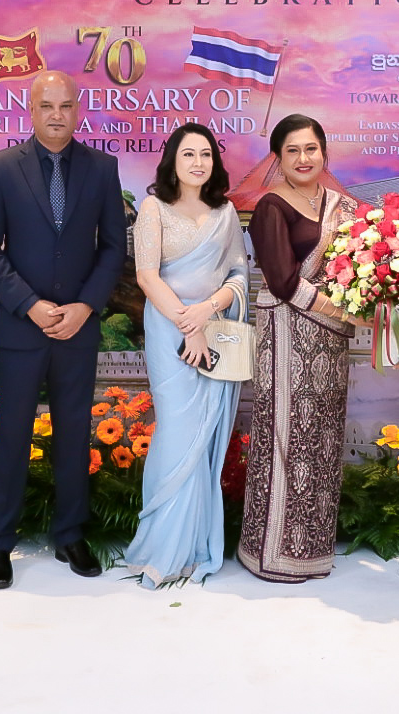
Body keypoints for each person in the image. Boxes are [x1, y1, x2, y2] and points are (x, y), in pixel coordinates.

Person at [0, 70, 127, 587]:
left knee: (72, 434)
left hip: (78, 328)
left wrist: (86, 306)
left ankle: (70, 534)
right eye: (46, 106)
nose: (57, 115)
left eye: (65, 106)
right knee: (11, 434)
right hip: (22, 328)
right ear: (31, 110)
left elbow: (113, 248)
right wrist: (30, 304)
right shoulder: (1, 168)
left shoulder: (102, 168)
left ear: (77, 110)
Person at [124, 125, 248, 587]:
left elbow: (238, 273)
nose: (198, 162)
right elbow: (146, 276)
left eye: (206, 155)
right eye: (189, 154)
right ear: (172, 161)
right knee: (177, 432)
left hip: (212, 328)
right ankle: (160, 548)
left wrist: (206, 312)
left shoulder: (225, 212)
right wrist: (186, 324)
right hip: (168, 330)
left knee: (206, 435)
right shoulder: (153, 208)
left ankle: (195, 546)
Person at [238, 114, 359, 582]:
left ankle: (312, 550)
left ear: (324, 153)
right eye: (292, 150)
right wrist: (343, 310)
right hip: (288, 336)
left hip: (329, 343)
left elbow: (358, 264)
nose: (303, 158)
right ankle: (272, 554)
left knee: (322, 441)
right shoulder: (271, 206)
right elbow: (284, 282)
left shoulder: (343, 207)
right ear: (278, 158)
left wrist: (363, 300)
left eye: (311, 149)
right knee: (287, 440)